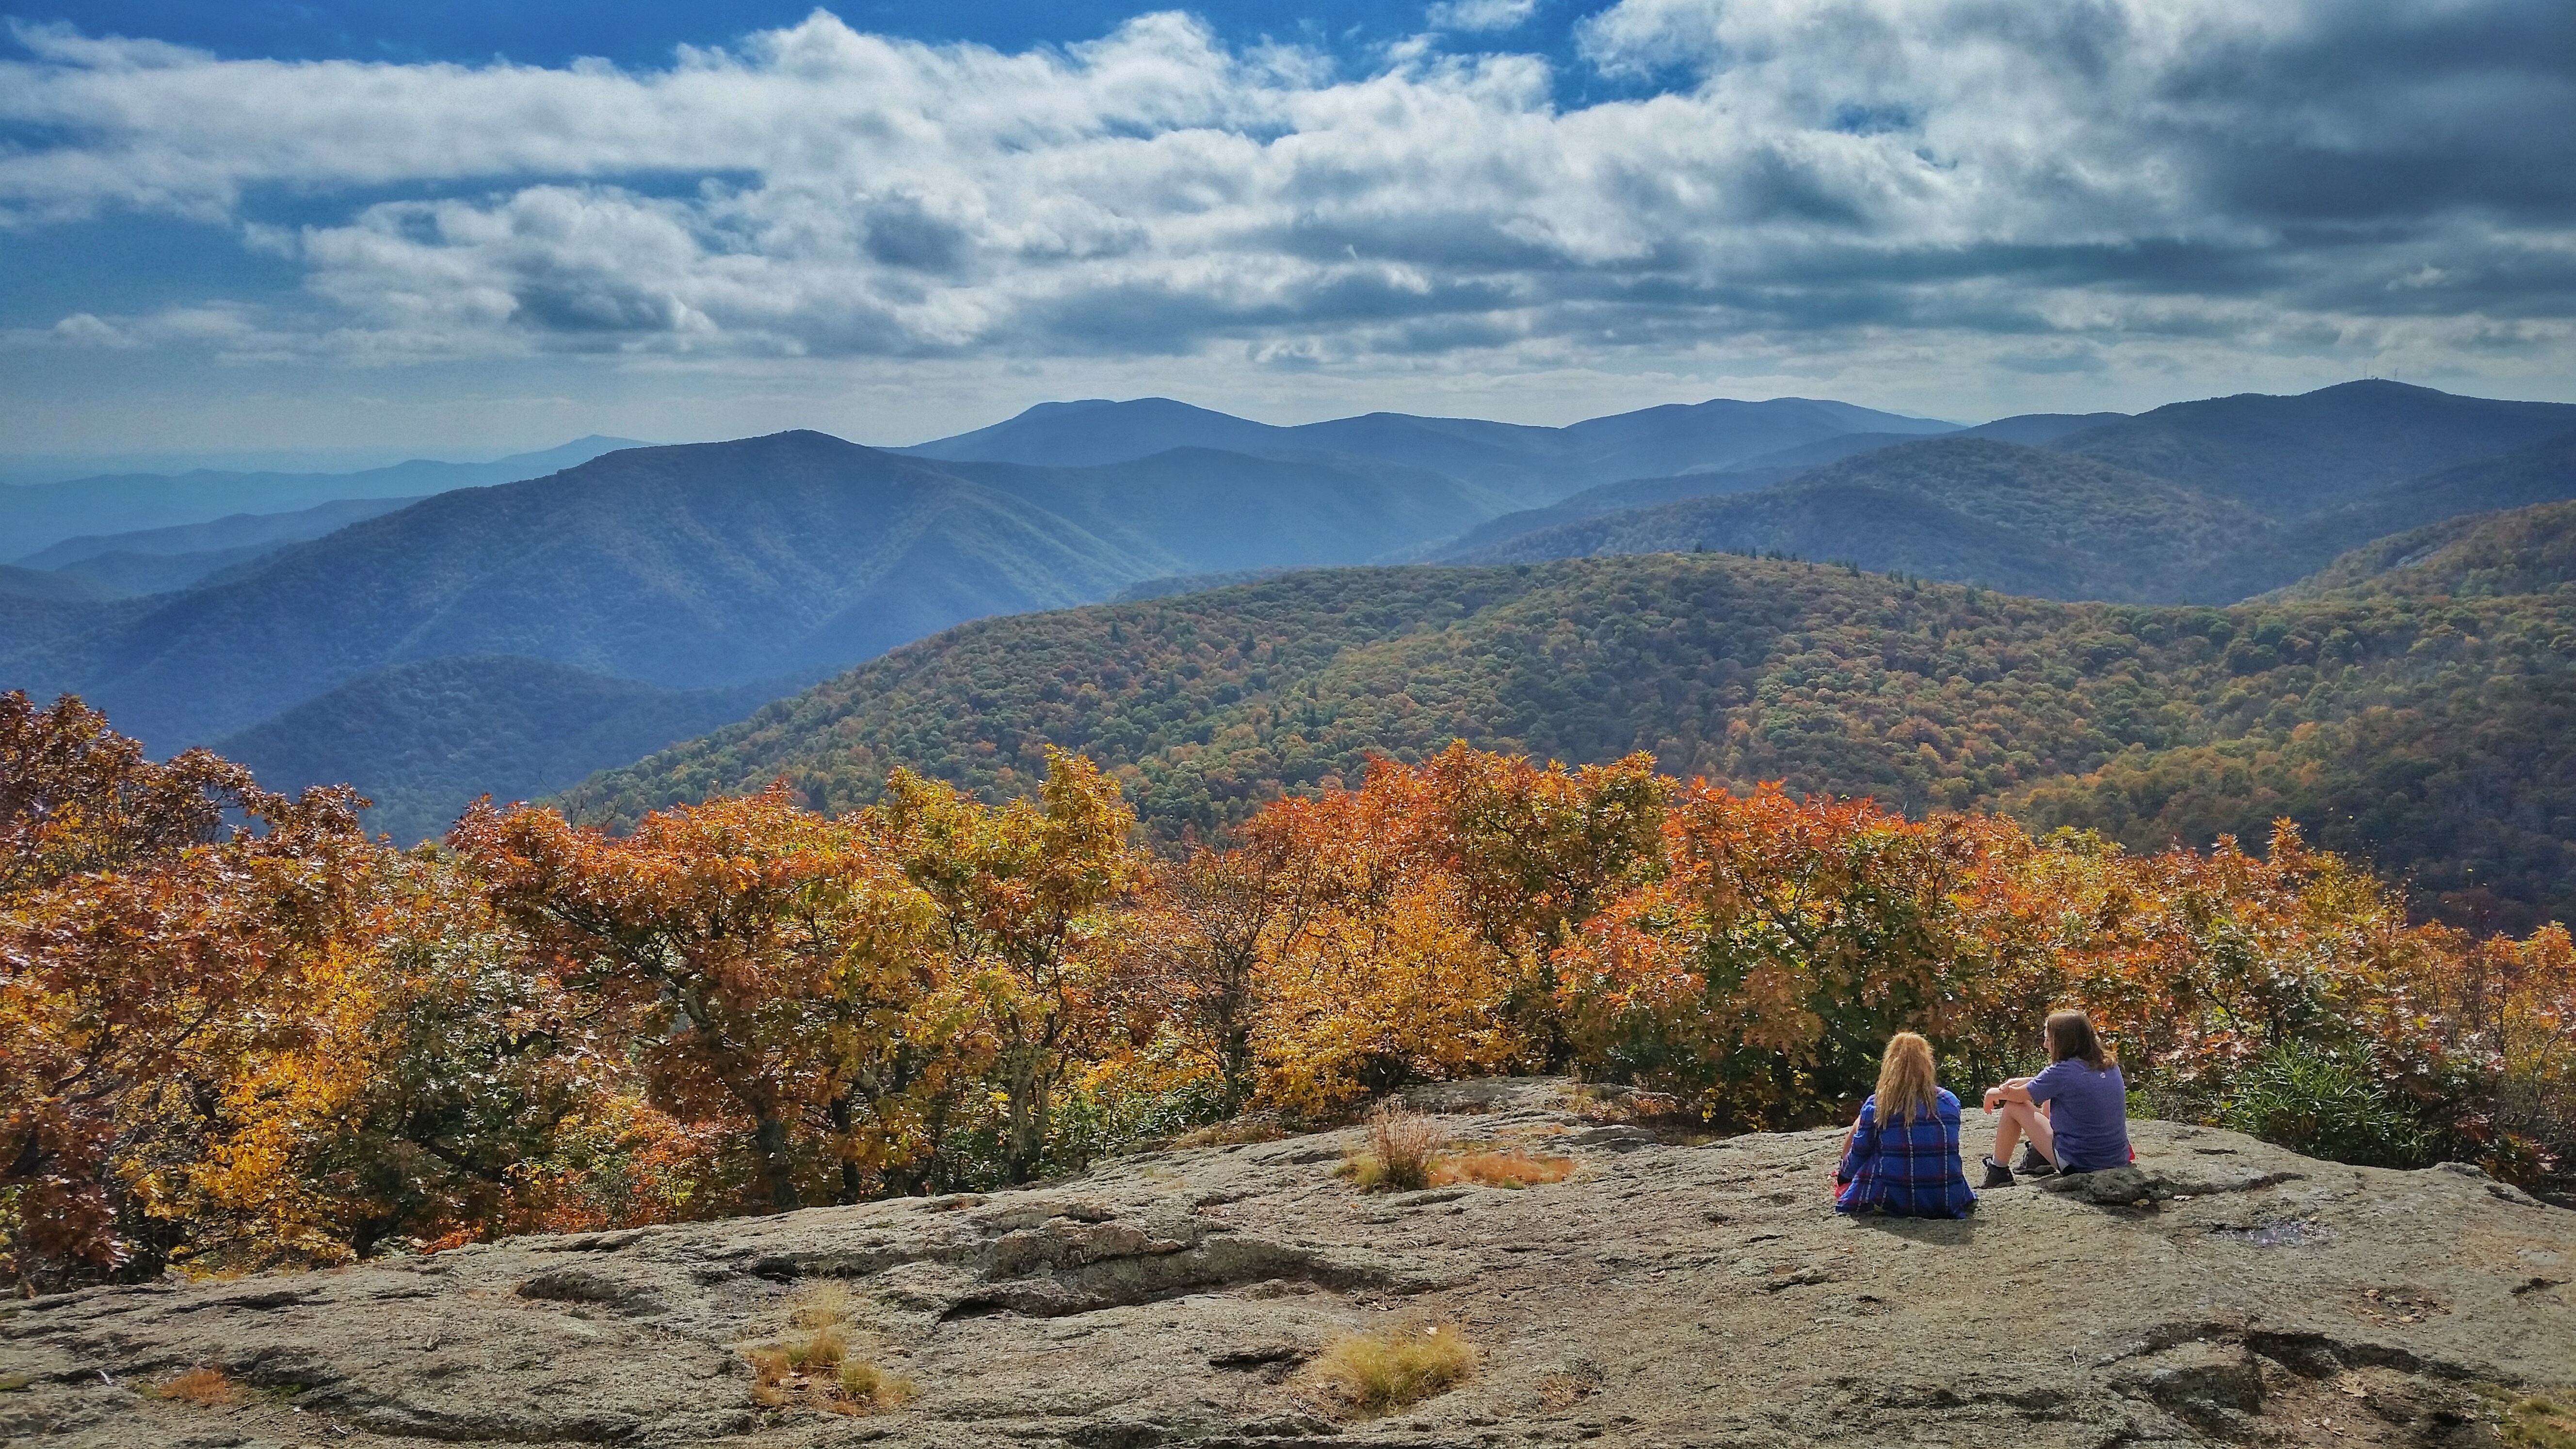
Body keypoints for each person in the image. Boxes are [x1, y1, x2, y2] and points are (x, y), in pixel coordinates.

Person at [1979, 1009, 2131, 1189]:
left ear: (2064, 1043)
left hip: (2080, 1165)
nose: (2045, 1045)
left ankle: (1998, 1171)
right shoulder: (2109, 1065)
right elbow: (2057, 1084)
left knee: (2013, 1106)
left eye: (2049, 1040)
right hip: (2117, 1159)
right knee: (2051, 1095)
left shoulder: (2061, 1073)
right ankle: (2039, 1156)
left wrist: (1993, 1093)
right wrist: (2025, 1082)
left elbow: (2019, 1097)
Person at [1833, 1030, 1977, 1218]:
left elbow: (1860, 1152)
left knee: (1868, 1133)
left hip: (1895, 1199)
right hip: (1946, 1198)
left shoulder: (1879, 1104)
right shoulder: (1950, 1101)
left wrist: (1843, 1176)